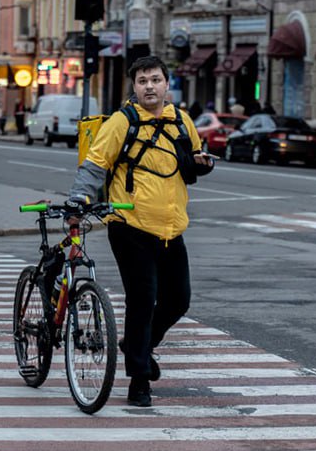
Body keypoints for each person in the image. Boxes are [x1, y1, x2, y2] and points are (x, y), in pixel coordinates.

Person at [66, 55, 214, 408]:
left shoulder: (182, 121)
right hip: (129, 226)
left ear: (167, 84)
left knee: (179, 300)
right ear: (134, 87)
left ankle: (137, 347)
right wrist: (79, 198)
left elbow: (191, 160)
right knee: (143, 300)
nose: (150, 86)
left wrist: (202, 163)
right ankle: (139, 381)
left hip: (171, 227)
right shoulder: (122, 122)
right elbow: (96, 163)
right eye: (143, 81)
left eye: (156, 80)